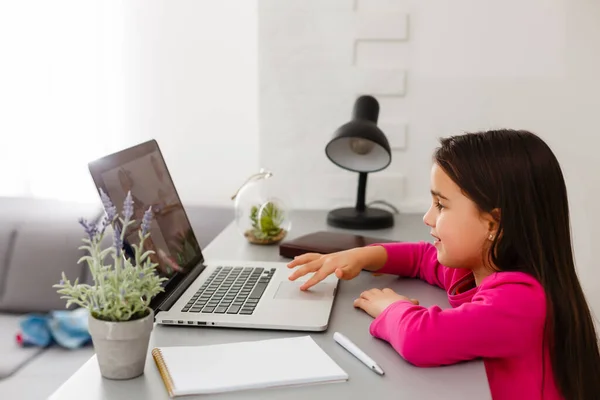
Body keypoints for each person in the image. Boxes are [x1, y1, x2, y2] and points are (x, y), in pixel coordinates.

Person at [287, 129, 600, 400]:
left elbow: (421, 339)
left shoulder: (520, 301)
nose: (427, 217)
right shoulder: (479, 269)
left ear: (494, 223)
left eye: (441, 205)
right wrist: (364, 256)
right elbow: (424, 258)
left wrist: (390, 307)